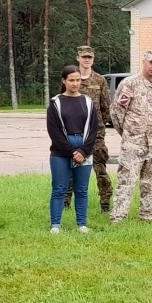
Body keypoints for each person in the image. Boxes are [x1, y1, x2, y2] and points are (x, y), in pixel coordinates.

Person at [110, 51, 152, 224]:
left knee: (151, 182)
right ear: (143, 62)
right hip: (133, 143)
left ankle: (147, 217)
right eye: (151, 63)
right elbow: (116, 112)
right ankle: (118, 218)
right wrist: (128, 134)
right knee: (126, 181)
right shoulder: (130, 83)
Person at [48, 64, 100, 233]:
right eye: (71, 80)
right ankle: (55, 225)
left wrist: (84, 151)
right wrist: (71, 152)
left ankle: (82, 224)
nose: (75, 84)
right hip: (61, 152)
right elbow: (54, 131)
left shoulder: (88, 102)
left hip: (84, 150)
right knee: (59, 188)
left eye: (78, 80)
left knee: (82, 190)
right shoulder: (55, 103)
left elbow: (93, 128)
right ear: (64, 81)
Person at [75, 46, 113, 214]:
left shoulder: (100, 80)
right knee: (71, 167)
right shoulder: (72, 78)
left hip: (96, 133)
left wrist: (98, 125)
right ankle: (67, 202)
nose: (87, 60)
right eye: (84, 57)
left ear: (93, 59)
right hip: (74, 132)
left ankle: (105, 201)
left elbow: (106, 107)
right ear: (78, 58)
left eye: (89, 57)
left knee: (100, 168)